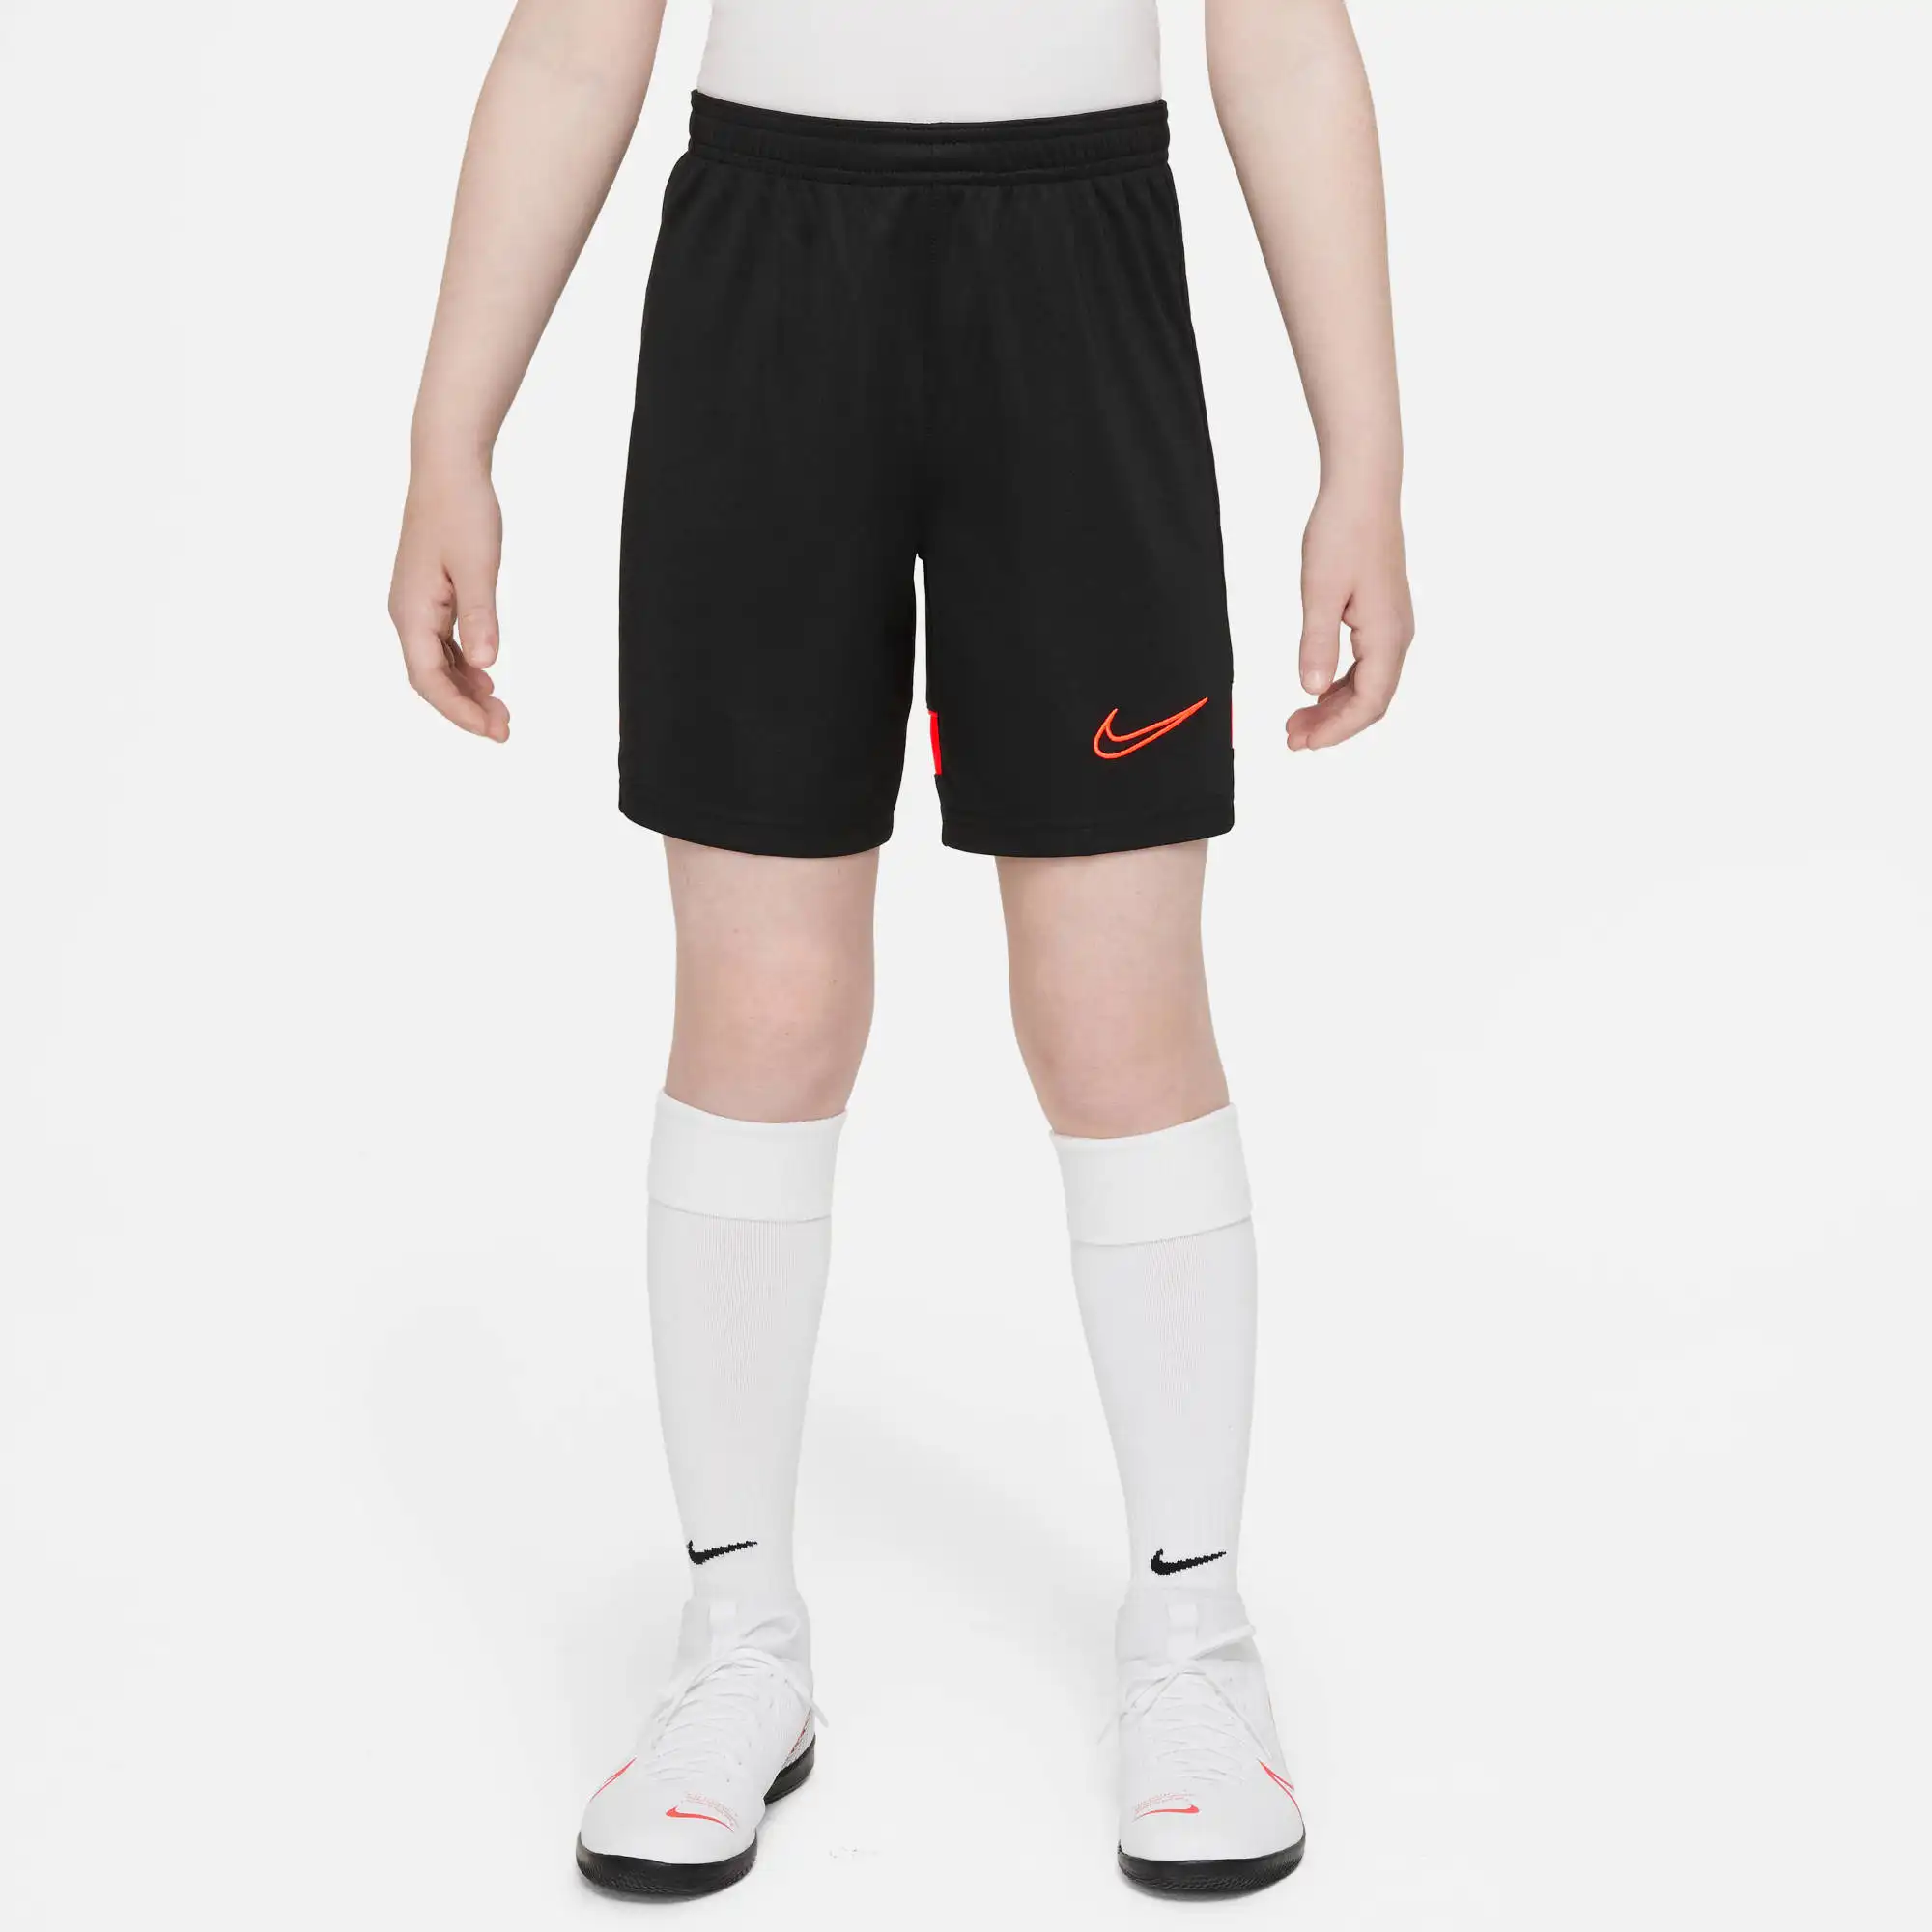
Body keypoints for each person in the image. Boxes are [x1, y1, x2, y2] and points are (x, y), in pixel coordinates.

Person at [389, 0, 1413, 1900]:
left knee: (1114, 1008)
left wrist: (1365, 452)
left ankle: (1193, 1633)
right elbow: (573, 42)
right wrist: (453, 429)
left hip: (1078, 274)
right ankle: (738, 1635)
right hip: (766, 281)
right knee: (761, 1003)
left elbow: (1282, 41)